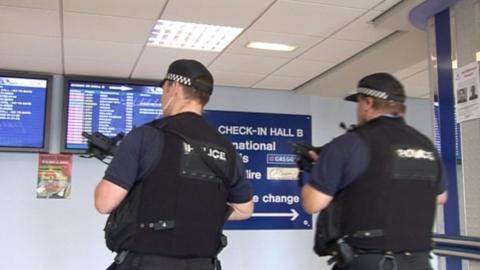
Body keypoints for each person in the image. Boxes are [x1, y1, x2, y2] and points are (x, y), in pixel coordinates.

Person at [94, 59, 254, 270]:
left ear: (174, 87)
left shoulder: (147, 136)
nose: (162, 97)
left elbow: (104, 203)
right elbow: (244, 210)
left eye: (163, 90)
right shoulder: (227, 149)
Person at [301, 73, 448, 270]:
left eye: (358, 102)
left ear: (368, 103)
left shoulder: (350, 143)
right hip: (419, 262)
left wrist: (313, 171)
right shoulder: (426, 145)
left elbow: (313, 203)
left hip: (367, 261)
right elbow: (440, 197)